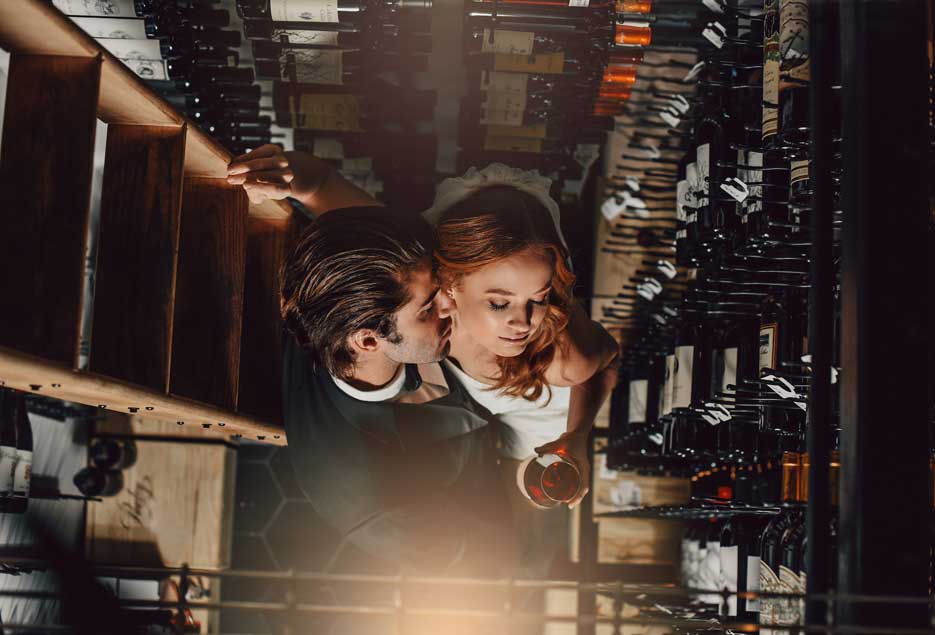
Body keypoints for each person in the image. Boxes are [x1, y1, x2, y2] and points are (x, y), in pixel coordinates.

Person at [227, 147, 517, 576]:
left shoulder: (366, 283)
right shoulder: (370, 499)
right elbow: (502, 556)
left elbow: (320, 184)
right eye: (428, 309)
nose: (452, 304)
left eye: (443, 287)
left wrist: (294, 174)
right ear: (367, 340)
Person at [424, 166, 620, 509]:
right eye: (500, 303)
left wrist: (576, 434)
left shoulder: (567, 360)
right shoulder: (425, 321)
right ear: (450, 286)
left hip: (543, 444)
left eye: (539, 298)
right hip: (484, 432)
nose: (523, 323)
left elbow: (608, 361)